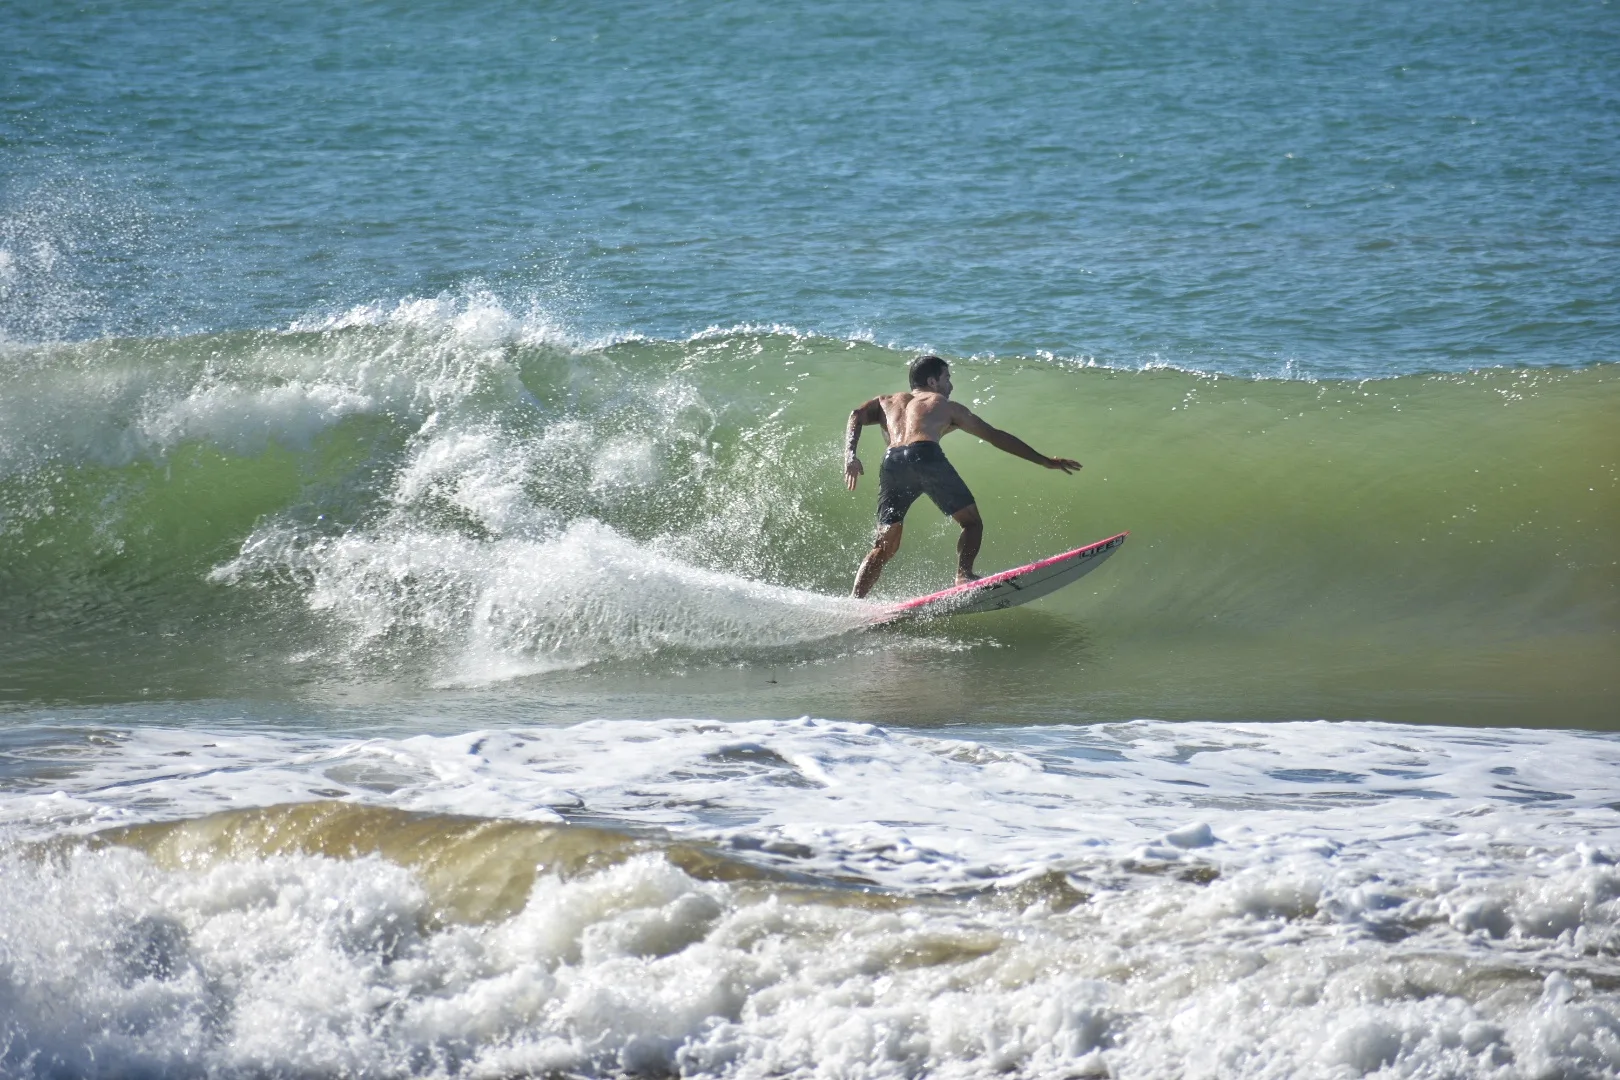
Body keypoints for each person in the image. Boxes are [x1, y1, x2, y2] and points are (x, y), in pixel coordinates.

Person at [844, 355, 1082, 598]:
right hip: (924, 454)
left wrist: (850, 455)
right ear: (932, 381)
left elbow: (855, 415)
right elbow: (995, 436)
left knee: (884, 546)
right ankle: (963, 575)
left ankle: (855, 600)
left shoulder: (887, 401)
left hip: (892, 462)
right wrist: (1044, 461)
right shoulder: (945, 405)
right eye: (947, 378)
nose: (951, 385)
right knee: (972, 523)